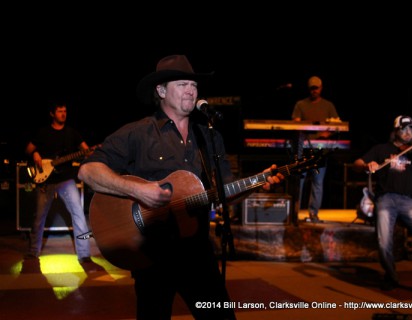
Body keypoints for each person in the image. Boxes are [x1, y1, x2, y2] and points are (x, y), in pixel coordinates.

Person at [77, 54, 284, 320]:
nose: (191, 90)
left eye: (194, 85)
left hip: (196, 251)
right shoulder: (138, 133)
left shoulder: (209, 136)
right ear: (161, 91)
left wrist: (258, 182)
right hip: (151, 254)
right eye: (182, 84)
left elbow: (223, 194)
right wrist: (139, 191)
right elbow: (89, 171)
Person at [352, 115, 412, 299]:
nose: (408, 133)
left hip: (409, 201)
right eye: (404, 129)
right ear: (395, 131)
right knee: (383, 242)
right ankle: (391, 276)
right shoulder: (381, 149)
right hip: (386, 199)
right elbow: (357, 163)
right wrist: (366, 165)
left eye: (411, 129)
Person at [24, 101, 93, 263]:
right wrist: (35, 153)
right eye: (60, 111)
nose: (63, 114)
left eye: (65, 111)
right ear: (52, 114)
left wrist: (91, 152)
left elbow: (86, 149)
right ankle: (33, 251)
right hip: (45, 181)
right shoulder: (43, 133)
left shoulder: (72, 133)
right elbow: (28, 149)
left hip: (66, 180)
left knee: (78, 214)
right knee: (39, 217)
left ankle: (84, 253)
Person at [291, 76, 340, 222]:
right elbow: (295, 123)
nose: (314, 91)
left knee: (318, 182)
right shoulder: (301, 104)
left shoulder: (328, 105)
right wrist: (305, 128)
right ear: (309, 89)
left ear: (321, 88)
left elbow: (336, 124)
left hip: (320, 150)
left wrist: (327, 132)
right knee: (299, 181)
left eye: (316, 88)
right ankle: (294, 213)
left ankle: (313, 214)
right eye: (312, 88)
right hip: (303, 149)